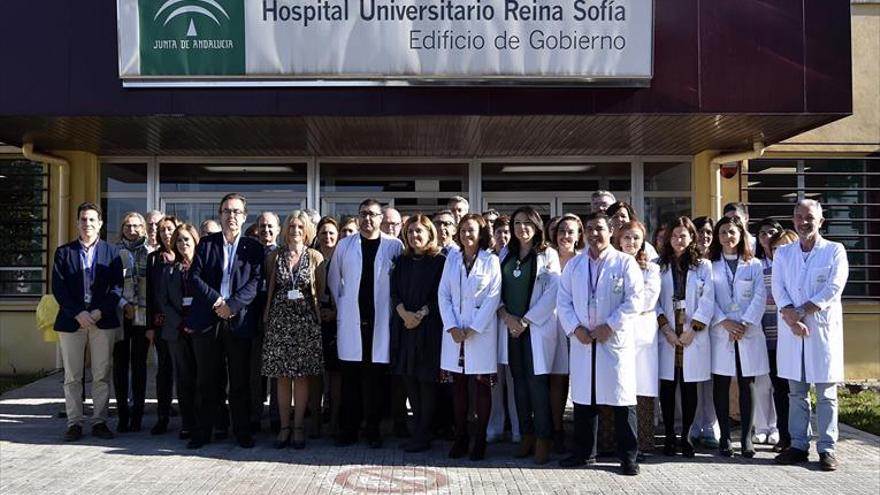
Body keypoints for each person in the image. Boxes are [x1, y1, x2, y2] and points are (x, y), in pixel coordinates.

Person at [557, 212, 643, 476]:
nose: (595, 234)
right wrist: (574, 328)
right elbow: (564, 301)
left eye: (600, 229)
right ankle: (584, 453)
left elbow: (635, 300)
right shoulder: (575, 264)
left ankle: (628, 457)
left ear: (612, 231)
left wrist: (611, 325)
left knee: (621, 401)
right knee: (584, 400)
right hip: (583, 339)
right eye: (591, 229)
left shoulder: (625, 263)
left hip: (613, 340)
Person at [773, 200, 848, 471]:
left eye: (810, 217)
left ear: (821, 221)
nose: (804, 222)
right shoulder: (784, 253)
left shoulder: (834, 251)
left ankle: (827, 448)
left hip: (821, 330)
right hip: (792, 330)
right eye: (799, 217)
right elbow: (778, 288)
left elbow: (833, 287)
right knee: (796, 393)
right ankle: (798, 445)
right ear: (793, 220)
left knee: (826, 393)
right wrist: (790, 316)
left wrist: (802, 311)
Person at [185, 193, 264, 449]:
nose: (231, 216)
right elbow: (194, 278)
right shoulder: (206, 244)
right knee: (207, 380)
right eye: (227, 211)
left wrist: (232, 305)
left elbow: (255, 283)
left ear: (244, 216)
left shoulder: (253, 247)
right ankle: (203, 431)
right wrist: (218, 302)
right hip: (208, 319)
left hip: (238, 320)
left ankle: (241, 432)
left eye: (236, 212)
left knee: (240, 381)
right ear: (220, 215)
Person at [327, 199, 404, 448]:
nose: (367, 219)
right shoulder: (345, 245)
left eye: (372, 214)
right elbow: (333, 278)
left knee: (375, 380)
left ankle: (373, 429)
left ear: (381, 218)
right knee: (351, 379)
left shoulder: (394, 245)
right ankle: (349, 429)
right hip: (352, 320)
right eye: (363, 214)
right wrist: (343, 306)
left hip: (381, 320)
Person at [52, 202, 122, 441]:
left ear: (100, 223)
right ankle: (74, 422)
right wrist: (77, 313)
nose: (87, 224)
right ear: (77, 222)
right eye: (83, 219)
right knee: (73, 376)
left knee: (102, 373)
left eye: (92, 219)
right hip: (73, 321)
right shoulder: (64, 252)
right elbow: (59, 288)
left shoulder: (112, 253)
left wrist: (100, 311)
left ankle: (100, 421)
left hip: (102, 320)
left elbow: (117, 288)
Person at [497, 207, 561, 465]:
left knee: (537, 386)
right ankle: (526, 435)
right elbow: (495, 287)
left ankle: (544, 439)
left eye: (527, 223)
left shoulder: (548, 254)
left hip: (535, 328)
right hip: (511, 328)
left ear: (537, 226)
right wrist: (506, 316)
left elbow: (553, 292)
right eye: (518, 223)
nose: (522, 228)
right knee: (518, 385)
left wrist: (525, 320)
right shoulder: (505, 253)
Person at [439, 213, 501, 461]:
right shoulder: (451, 259)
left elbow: (493, 297)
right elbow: (443, 294)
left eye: (472, 230)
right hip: (455, 331)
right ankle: (461, 435)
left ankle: (481, 438)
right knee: (459, 387)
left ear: (481, 233)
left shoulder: (491, 261)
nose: (467, 234)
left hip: (480, 332)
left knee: (482, 386)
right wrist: (452, 326)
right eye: (463, 230)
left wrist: (474, 328)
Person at [262, 210, 326, 449]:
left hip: (305, 324)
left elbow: (320, 289)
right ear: (285, 230)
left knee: (301, 377)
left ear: (307, 230)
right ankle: (284, 427)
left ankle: (299, 427)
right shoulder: (274, 257)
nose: (295, 231)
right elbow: (272, 285)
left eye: (300, 227)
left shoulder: (316, 257)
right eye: (291, 227)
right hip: (279, 322)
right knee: (282, 377)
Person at [708, 216, 768, 458]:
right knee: (721, 384)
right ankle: (724, 436)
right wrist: (725, 321)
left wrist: (743, 324)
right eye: (723, 232)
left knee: (747, 383)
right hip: (721, 330)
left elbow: (760, 296)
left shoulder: (754, 264)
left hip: (747, 331)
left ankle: (746, 438)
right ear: (717, 237)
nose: (728, 237)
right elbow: (706, 298)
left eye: (732, 232)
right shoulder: (708, 265)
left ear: (741, 234)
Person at [656, 216, 714, 458]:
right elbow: (653, 302)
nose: (679, 240)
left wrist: (693, 330)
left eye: (684, 235)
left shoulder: (703, 266)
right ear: (669, 239)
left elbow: (708, 298)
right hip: (668, 333)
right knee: (668, 387)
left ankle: (686, 436)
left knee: (690, 387)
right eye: (675, 235)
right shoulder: (657, 265)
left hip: (692, 334)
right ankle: (669, 435)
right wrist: (667, 330)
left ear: (691, 237)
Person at [390, 214, 446, 453]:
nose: (414, 236)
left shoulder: (439, 261)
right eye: (410, 232)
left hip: (429, 329)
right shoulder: (401, 261)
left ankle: (423, 434)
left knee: (426, 382)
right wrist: (404, 314)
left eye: (419, 231)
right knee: (409, 379)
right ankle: (418, 432)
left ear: (430, 234)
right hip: (405, 328)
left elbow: (441, 295)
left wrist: (420, 315)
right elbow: (394, 293)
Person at [615, 220, 661, 457]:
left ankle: (643, 442)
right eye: (626, 238)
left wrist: (621, 309)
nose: (631, 242)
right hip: (618, 333)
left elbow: (647, 300)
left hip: (642, 333)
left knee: (642, 388)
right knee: (617, 387)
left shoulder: (651, 268)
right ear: (619, 240)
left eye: (635, 238)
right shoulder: (613, 264)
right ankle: (612, 441)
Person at [157, 224, 201, 442]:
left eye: (187, 240)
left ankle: (205, 421)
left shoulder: (203, 267)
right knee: (183, 379)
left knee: (203, 377)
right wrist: (181, 322)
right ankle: (188, 423)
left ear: (195, 241)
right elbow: (163, 302)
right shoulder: (169, 269)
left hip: (200, 329)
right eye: (179, 240)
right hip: (176, 331)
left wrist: (193, 321)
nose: (183, 244)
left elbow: (207, 297)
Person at [548, 213, 586, 453]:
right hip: (552, 326)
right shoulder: (546, 258)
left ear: (579, 235)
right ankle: (557, 430)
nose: (565, 236)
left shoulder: (584, 261)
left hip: (580, 328)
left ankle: (581, 433)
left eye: (571, 231)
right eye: (562, 231)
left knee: (581, 381)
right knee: (557, 381)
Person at [114, 212, 150, 433]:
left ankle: (137, 414)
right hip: (120, 315)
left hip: (143, 317)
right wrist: (122, 303)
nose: (132, 229)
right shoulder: (113, 251)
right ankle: (122, 415)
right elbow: (108, 283)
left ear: (144, 229)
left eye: (136, 226)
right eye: (128, 225)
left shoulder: (151, 252)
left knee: (139, 366)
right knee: (119, 366)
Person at [752, 218, 787, 450]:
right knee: (761, 383)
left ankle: (776, 427)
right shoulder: (755, 263)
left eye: (771, 232)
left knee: (780, 383)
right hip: (760, 328)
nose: (766, 237)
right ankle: (761, 427)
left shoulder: (785, 261)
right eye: (762, 233)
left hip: (783, 330)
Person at [145, 214, 180, 435]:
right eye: (163, 229)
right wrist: (149, 325)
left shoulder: (186, 253)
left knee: (185, 370)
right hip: (162, 323)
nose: (166, 233)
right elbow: (149, 293)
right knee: (164, 370)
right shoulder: (153, 259)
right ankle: (163, 415)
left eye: (170, 229)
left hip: (184, 323)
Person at [486, 213, 520, 446]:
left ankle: (518, 428)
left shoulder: (519, 258)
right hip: (490, 325)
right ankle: (495, 426)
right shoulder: (487, 258)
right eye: (499, 232)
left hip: (512, 324)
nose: (503, 236)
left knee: (514, 380)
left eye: (507, 232)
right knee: (494, 381)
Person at [689, 215, 720, 449]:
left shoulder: (717, 260)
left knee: (710, 382)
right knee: (691, 381)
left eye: (709, 232)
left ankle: (711, 426)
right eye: (700, 231)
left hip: (716, 330)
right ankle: (692, 425)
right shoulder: (686, 261)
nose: (705, 236)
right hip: (692, 331)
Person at [251, 211, 281, 434]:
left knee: (276, 371)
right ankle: (254, 415)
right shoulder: (250, 252)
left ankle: (276, 418)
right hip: (252, 317)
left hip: (277, 319)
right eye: (262, 226)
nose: (266, 231)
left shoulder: (283, 255)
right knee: (254, 369)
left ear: (278, 230)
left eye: (270, 227)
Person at [315, 216, 342, 436]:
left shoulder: (343, 257)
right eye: (323, 232)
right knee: (315, 373)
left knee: (335, 373)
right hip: (314, 321)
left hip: (338, 323)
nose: (328, 236)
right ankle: (315, 419)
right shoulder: (312, 257)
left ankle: (335, 419)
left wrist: (335, 313)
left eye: (332, 232)